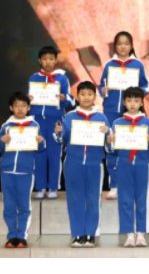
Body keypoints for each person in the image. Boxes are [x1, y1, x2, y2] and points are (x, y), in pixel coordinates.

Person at [54, 81, 110, 247]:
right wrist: (58, 133)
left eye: (90, 94)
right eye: (82, 94)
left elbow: (110, 145)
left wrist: (108, 135)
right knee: (75, 199)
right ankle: (78, 234)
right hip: (73, 162)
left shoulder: (101, 117)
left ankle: (90, 234)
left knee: (93, 199)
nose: (86, 97)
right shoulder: (70, 117)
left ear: (95, 97)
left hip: (95, 164)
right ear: (77, 97)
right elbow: (62, 140)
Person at [99, 31, 149, 200]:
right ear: (115, 46)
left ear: (131, 45)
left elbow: (146, 86)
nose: (123, 47)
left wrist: (137, 92)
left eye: (126, 43)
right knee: (112, 146)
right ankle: (114, 185)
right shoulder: (109, 65)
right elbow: (101, 87)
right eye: (120, 44)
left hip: (132, 113)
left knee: (131, 145)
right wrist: (103, 90)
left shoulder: (137, 65)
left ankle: (130, 184)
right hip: (111, 111)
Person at [0, 92, 45, 248]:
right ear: (11, 108)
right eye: (16, 105)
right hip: (7, 171)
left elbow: (41, 148)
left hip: (26, 171)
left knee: (24, 206)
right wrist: (2, 141)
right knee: (9, 206)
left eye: (23, 105)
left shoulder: (34, 125)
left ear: (28, 107)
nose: (20, 109)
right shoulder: (6, 126)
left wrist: (40, 141)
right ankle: (11, 236)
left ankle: (22, 236)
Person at [108, 87, 149, 248]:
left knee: (142, 200)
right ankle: (129, 234)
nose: (132, 104)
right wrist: (111, 141)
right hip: (124, 165)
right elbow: (112, 150)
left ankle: (141, 234)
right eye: (129, 100)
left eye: (136, 101)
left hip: (143, 165)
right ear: (124, 102)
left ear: (142, 102)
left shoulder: (147, 122)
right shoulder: (117, 123)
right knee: (125, 200)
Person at [28, 46, 74, 199]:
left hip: (55, 120)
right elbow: (28, 100)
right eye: (44, 59)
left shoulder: (62, 78)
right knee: (39, 154)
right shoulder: (34, 78)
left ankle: (53, 187)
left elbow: (71, 100)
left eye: (51, 59)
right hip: (37, 121)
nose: (48, 62)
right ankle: (40, 187)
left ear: (56, 60)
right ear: (39, 60)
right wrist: (28, 100)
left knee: (54, 155)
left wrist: (63, 98)